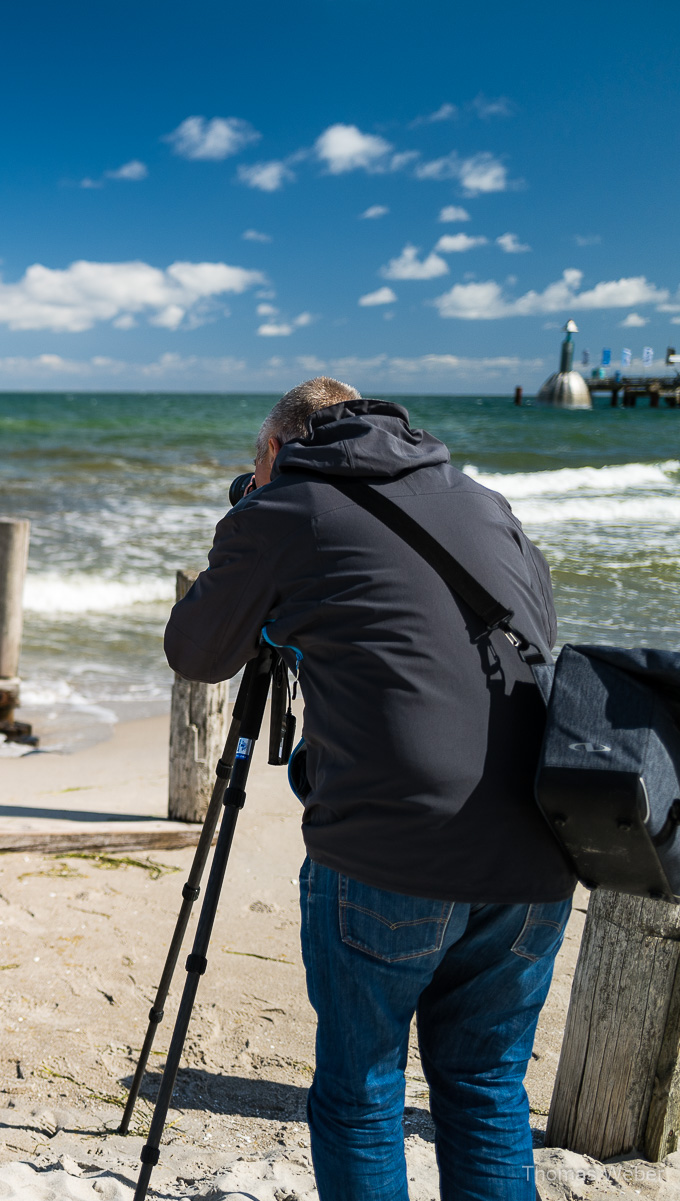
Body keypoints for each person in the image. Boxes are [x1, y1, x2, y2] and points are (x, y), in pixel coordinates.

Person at [165, 377, 576, 1201]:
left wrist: (246, 515)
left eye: (258, 462)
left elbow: (198, 648)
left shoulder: (291, 507)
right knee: (487, 1086)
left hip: (394, 849)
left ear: (279, 449)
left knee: (361, 1091)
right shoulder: (482, 500)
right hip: (539, 844)